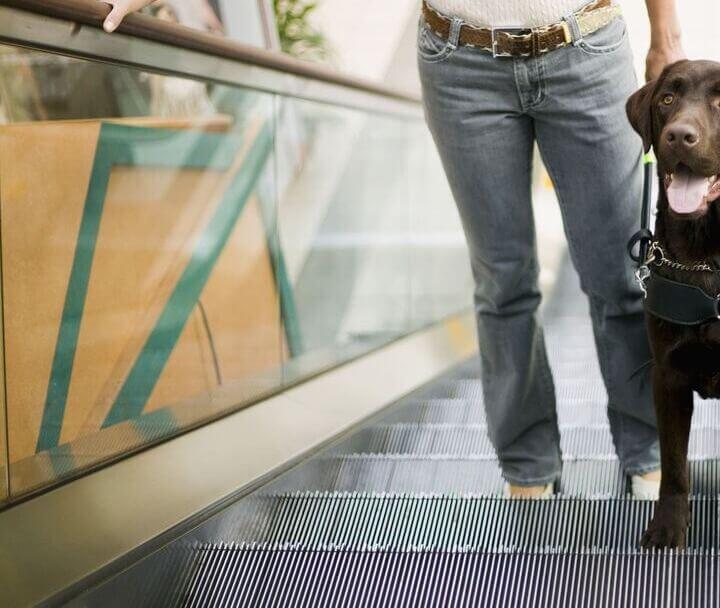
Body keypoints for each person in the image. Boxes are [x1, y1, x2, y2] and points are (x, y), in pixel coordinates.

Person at [100, 0, 686, 499]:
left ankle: (648, 456)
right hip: (461, 62)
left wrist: (667, 39)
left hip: (585, 49)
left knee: (620, 274)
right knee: (502, 281)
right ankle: (529, 470)